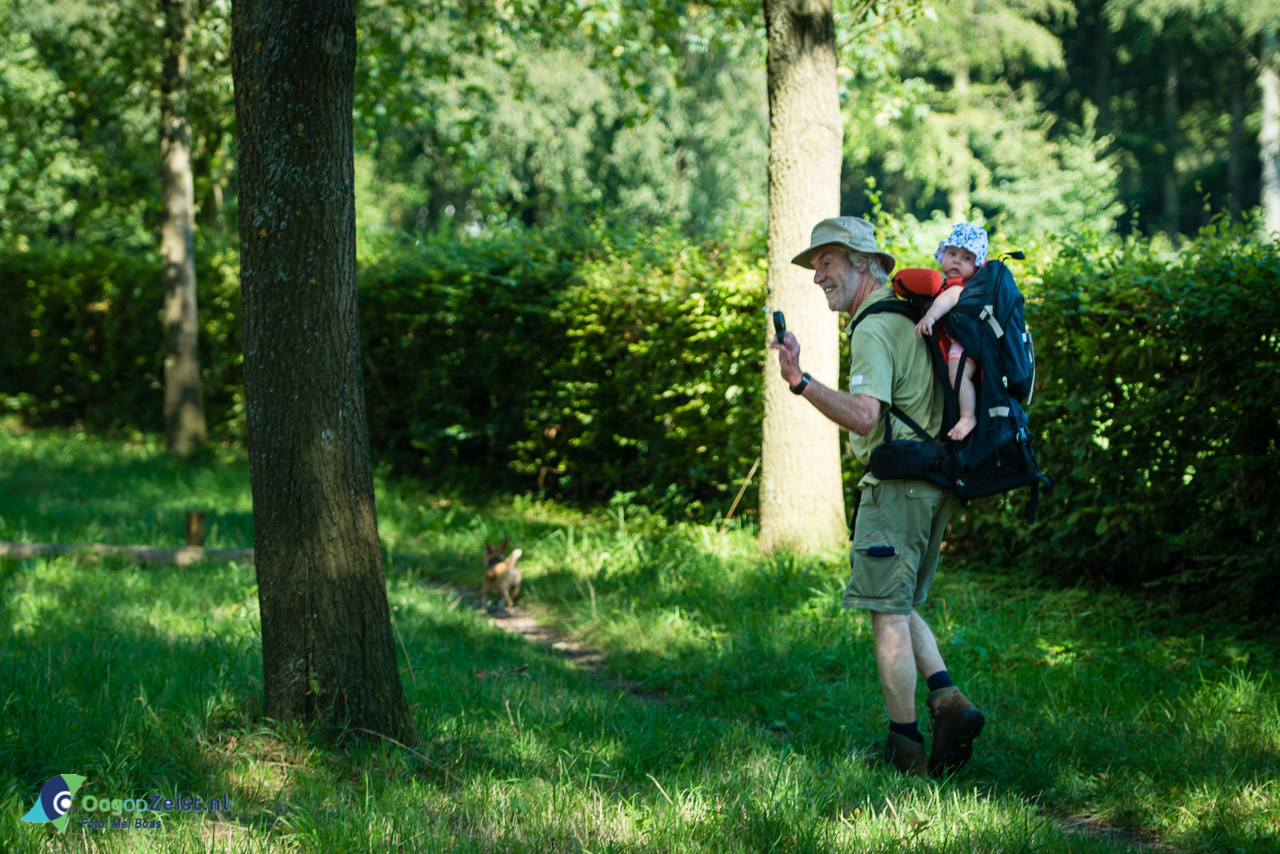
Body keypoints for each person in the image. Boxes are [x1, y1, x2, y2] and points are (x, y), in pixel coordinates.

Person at [770, 215, 985, 776]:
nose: (818, 276)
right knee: (902, 604)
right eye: (815, 265)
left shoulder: (872, 325)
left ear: (862, 263)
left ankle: (904, 751)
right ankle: (948, 701)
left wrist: (800, 381)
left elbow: (866, 419)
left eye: (827, 262)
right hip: (933, 485)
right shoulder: (906, 314)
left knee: (885, 614)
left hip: (899, 489)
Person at [912, 222, 990, 441]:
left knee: (958, 373)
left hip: (967, 343)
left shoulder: (960, 286)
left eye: (967, 257)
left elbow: (947, 300)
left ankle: (968, 416)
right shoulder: (951, 282)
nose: (957, 260)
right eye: (952, 253)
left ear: (977, 266)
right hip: (966, 339)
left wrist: (930, 316)